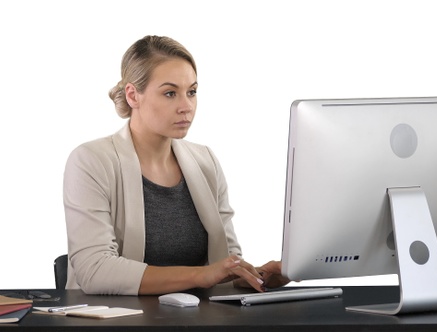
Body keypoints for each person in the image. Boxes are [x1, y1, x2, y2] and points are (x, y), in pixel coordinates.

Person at [63, 35, 289, 295]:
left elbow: (223, 267)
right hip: (116, 319)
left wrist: (257, 275)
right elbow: (95, 271)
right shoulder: (91, 161)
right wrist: (201, 275)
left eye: (191, 92)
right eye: (170, 93)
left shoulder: (206, 162)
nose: (186, 106)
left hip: (198, 320)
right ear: (133, 95)